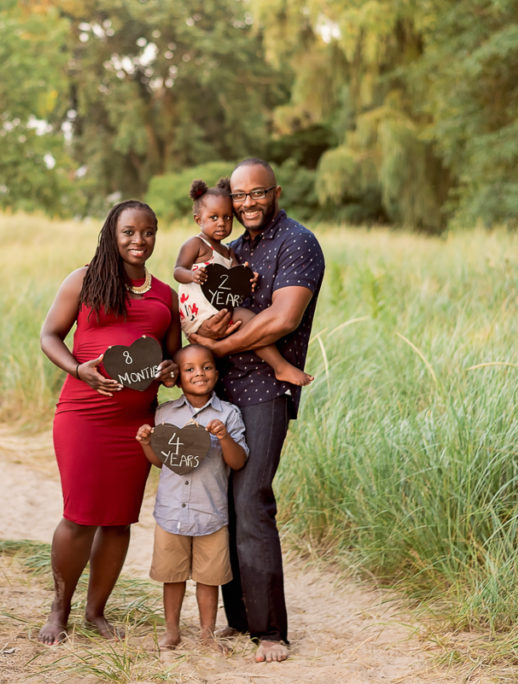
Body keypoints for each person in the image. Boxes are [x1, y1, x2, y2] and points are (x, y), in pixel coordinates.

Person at [188, 159, 325, 663]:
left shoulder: (299, 242)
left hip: (266, 390)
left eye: (257, 194)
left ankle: (271, 633)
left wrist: (215, 350)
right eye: (239, 195)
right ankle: (240, 618)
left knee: (251, 503)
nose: (247, 203)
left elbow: (283, 320)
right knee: (221, 503)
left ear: (276, 192)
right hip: (219, 393)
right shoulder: (231, 246)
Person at [38, 199, 181, 646]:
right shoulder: (84, 280)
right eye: (129, 232)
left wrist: (172, 371)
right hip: (84, 414)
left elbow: (173, 355)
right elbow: (49, 335)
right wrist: (79, 368)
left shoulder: (165, 295)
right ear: (111, 235)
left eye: (148, 232)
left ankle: (95, 612)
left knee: (118, 521)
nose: (139, 241)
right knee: (80, 517)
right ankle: (58, 611)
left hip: (135, 423)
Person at [135, 344, 248, 653]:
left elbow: (237, 461)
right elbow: (160, 461)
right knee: (172, 577)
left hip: (210, 514)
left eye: (207, 367)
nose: (199, 372)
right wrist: (147, 442)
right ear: (177, 378)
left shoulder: (228, 413)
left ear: (217, 372)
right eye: (190, 369)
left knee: (208, 579)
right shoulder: (166, 412)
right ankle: (172, 632)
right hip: (171, 513)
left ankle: (207, 635)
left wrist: (223, 437)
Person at [174, 178, 312, 387]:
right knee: (248, 319)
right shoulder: (196, 244)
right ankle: (280, 366)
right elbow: (177, 271)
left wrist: (250, 280)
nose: (222, 223)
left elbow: (238, 277)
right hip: (198, 313)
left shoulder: (229, 251)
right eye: (214, 218)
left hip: (217, 308)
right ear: (198, 219)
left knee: (244, 321)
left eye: (227, 218)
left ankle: (215, 364)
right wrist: (192, 275)